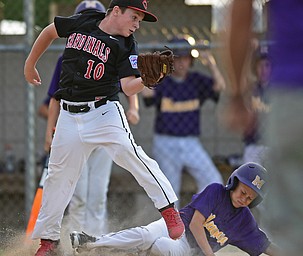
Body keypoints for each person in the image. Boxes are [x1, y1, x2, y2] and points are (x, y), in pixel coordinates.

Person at [24, 0, 185, 255]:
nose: (136, 25)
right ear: (116, 10)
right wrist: (30, 63)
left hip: (103, 112)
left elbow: (127, 86)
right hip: (68, 114)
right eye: (134, 17)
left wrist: (145, 79)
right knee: (58, 177)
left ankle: (168, 210)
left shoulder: (126, 44)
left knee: (130, 153)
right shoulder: (85, 21)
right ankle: (49, 241)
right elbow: (49, 31)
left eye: (139, 21)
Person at [224, 1, 303, 255]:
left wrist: (236, 94)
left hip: (297, 91)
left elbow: (241, 14)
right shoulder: (259, 88)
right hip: (288, 102)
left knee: (299, 229)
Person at [37, 0, 140, 237]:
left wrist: (134, 108)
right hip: (75, 127)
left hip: (103, 124)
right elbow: (55, 98)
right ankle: (75, 240)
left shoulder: (117, 47)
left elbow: (127, 84)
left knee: (98, 193)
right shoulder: (67, 59)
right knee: (79, 194)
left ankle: (95, 244)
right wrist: (49, 133)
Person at [70, 162, 281, 256]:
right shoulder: (216, 192)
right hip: (176, 227)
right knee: (146, 234)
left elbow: (266, 246)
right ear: (234, 183)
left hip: (187, 250)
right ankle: (92, 243)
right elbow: (197, 224)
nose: (244, 198)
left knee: (161, 247)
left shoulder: (244, 222)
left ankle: (129, 252)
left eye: (250, 197)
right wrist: (210, 255)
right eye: (243, 191)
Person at [142, 36, 225, 206]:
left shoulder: (196, 80)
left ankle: (199, 219)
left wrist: (210, 63)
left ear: (191, 60)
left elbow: (220, 87)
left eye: (185, 58)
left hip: (191, 143)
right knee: (170, 192)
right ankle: (175, 232)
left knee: (213, 181)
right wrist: (149, 68)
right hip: (165, 142)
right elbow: (147, 95)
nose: (181, 63)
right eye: (177, 58)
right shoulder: (162, 80)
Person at [242, 49, 271, 165]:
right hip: (253, 145)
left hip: (274, 145)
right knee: (249, 179)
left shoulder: (280, 91)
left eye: (267, 65)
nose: (263, 70)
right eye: (260, 65)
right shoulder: (250, 90)